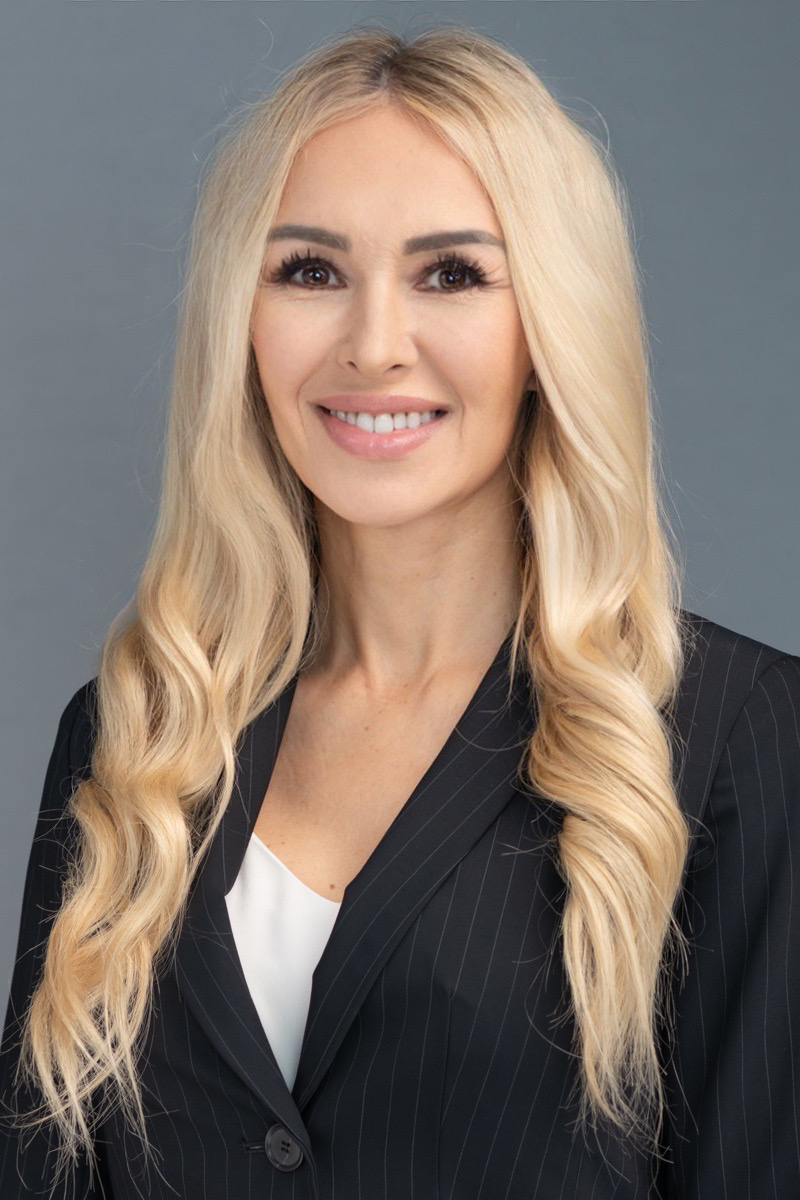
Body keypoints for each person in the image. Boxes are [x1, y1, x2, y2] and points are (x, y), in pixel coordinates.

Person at [1, 23, 798, 1200]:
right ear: (239, 317)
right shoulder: (133, 736)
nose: (373, 347)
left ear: (548, 331)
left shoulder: (739, 736)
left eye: (452, 274)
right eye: (309, 271)